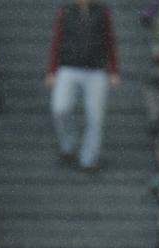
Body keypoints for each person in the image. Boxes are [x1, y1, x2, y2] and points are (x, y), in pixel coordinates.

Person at [47, 0, 119, 173]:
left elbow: (110, 41)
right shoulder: (65, 12)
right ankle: (68, 143)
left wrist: (114, 69)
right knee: (60, 108)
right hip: (69, 66)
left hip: (96, 70)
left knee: (96, 117)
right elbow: (57, 40)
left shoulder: (103, 13)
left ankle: (89, 158)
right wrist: (52, 70)